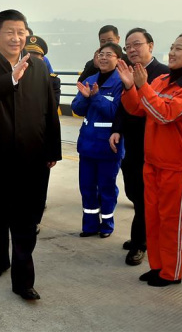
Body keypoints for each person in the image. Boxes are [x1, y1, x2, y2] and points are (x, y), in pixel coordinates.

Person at [0, 9, 61, 301]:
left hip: (33, 156)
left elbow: (49, 110)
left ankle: (23, 281)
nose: (16, 37)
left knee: (25, 219)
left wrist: (53, 150)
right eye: (10, 31)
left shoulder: (39, 66)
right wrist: (10, 77)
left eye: (21, 32)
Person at [119, 32, 182, 287]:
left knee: (173, 223)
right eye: (171, 47)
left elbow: (166, 114)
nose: (172, 52)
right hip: (153, 163)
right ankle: (157, 266)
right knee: (154, 219)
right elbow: (138, 108)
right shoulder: (160, 79)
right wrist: (129, 86)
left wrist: (143, 86)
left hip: (176, 166)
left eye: (178, 49)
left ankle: (172, 272)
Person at [110, 28, 169, 266]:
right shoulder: (126, 71)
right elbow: (123, 105)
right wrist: (117, 129)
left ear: (151, 46)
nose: (132, 50)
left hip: (154, 143)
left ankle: (139, 243)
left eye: (137, 44)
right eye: (128, 46)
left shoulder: (163, 75)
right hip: (132, 143)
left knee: (146, 196)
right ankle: (143, 234)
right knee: (134, 191)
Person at [72, 42, 124, 239]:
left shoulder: (120, 82)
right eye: (101, 54)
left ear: (118, 60)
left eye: (109, 54)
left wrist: (95, 97)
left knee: (107, 187)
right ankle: (90, 225)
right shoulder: (90, 79)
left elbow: (115, 111)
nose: (103, 57)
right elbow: (77, 108)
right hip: (87, 145)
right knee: (86, 187)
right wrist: (85, 98)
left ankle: (107, 225)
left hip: (108, 147)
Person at [25, 35, 61, 232]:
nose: (31, 58)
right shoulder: (14, 78)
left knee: (39, 185)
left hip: (41, 141)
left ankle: (34, 220)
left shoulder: (52, 82)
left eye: (36, 55)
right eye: (28, 54)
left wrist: (53, 151)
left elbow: (52, 119)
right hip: (19, 143)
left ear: (43, 58)